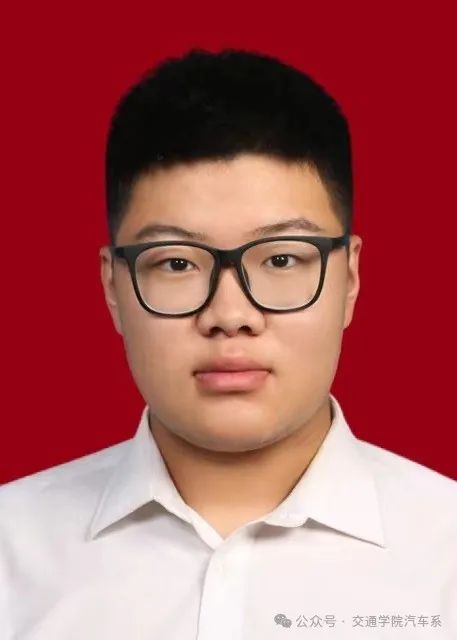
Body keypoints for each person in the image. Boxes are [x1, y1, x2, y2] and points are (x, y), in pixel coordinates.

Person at [0, 47, 456, 640]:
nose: (230, 316)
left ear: (349, 279)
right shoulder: (13, 550)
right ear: (113, 287)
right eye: (177, 263)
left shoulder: (445, 553)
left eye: (282, 259)